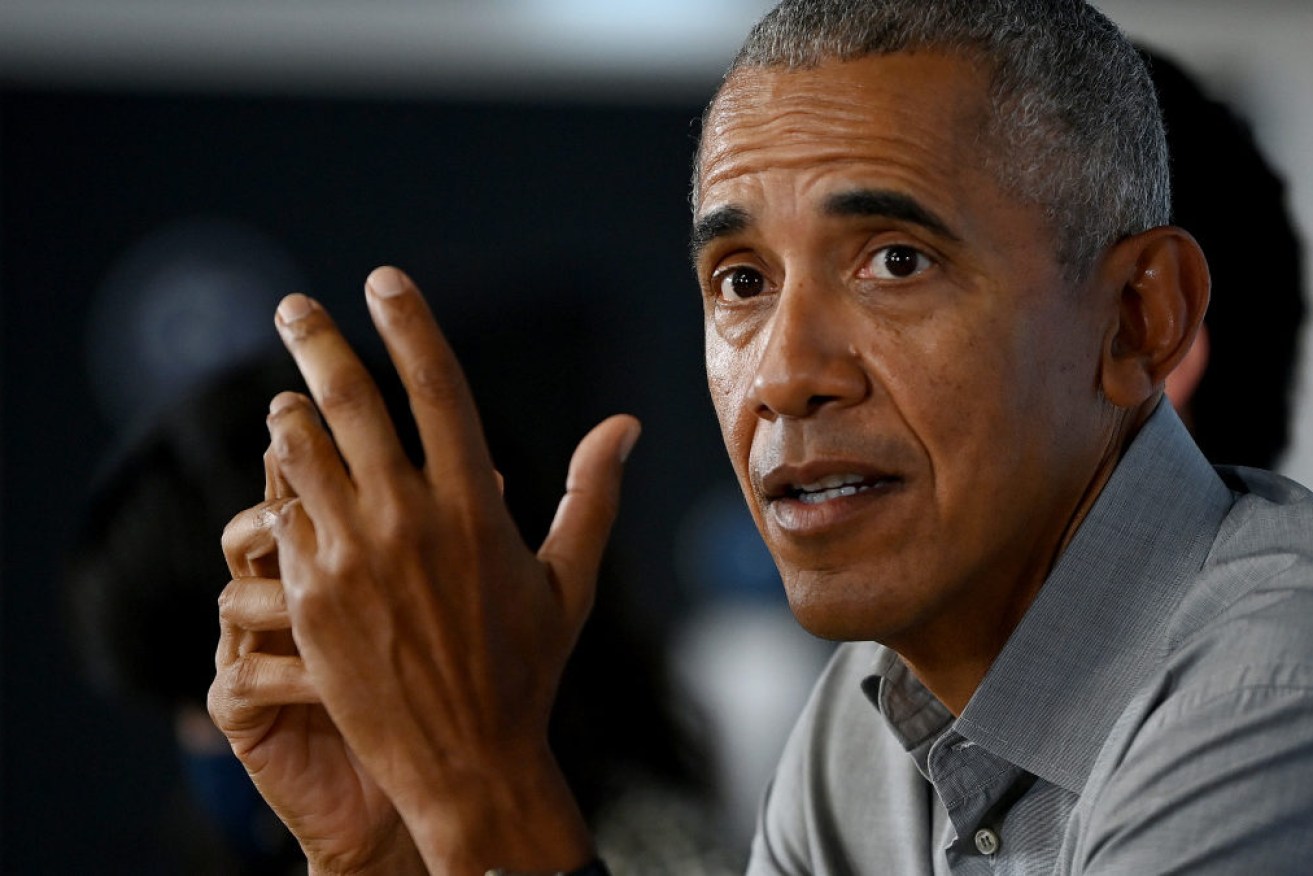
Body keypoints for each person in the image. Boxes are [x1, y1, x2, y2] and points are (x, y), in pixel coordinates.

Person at [208, 1, 1313, 874]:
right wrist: (394, 851)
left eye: (893, 261)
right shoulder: (862, 720)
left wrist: (479, 787)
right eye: (739, 282)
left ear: (1139, 318)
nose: (783, 375)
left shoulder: (1270, 694)